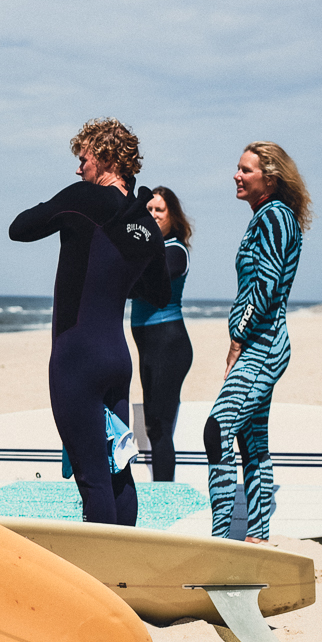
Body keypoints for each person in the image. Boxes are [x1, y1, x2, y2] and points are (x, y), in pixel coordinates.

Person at [9, 118, 170, 525]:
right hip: (116, 359)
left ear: (105, 158)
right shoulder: (147, 226)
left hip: (76, 358)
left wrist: (61, 208)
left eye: (84, 159)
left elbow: (20, 228)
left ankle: (103, 564)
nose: (79, 168)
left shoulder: (84, 198)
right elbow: (158, 294)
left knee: (92, 478)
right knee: (119, 471)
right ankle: (125, 557)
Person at [206, 142, 310, 542]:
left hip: (263, 345)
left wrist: (237, 339)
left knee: (217, 429)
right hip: (262, 342)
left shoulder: (273, 217)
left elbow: (265, 287)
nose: (237, 175)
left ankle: (221, 538)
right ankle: (258, 535)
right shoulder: (269, 216)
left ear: (270, 178)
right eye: (238, 168)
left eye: (245, 170)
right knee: (252, 442)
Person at [129, 185, 195, 482]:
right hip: (148, 346)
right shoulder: (147, 251)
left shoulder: (175, 250)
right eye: (149, 210)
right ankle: (161, 489)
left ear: (173, 216)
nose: (153, 215)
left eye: (160, 210)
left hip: (169, 345)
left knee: (160, 426)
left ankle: (164, 493)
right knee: (152, 425)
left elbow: (145, 283)